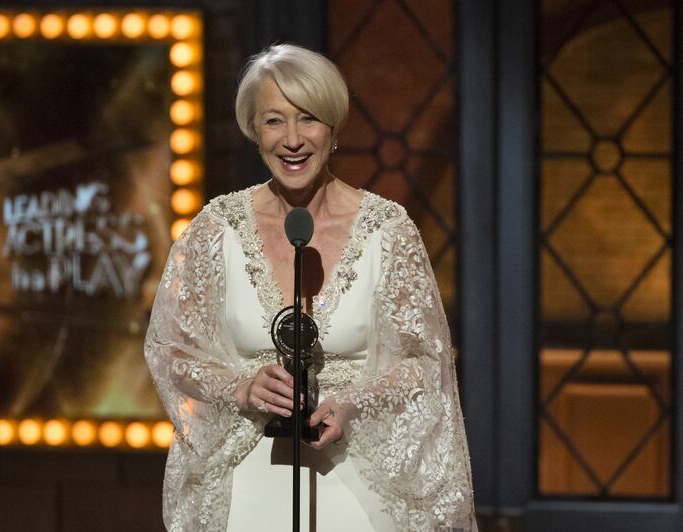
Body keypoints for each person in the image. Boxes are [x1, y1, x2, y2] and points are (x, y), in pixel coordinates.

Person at [144, 43, 477, 531]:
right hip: (247, 482)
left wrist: (354, 404)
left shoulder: (389, 229)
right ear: (253, 130)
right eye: (274, 121)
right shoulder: (215, 229)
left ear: (333, 128)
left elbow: (425, 362)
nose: (293, 140)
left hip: (357, 481)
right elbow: (172, 352)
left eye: (308, 119)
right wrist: (241, 387)